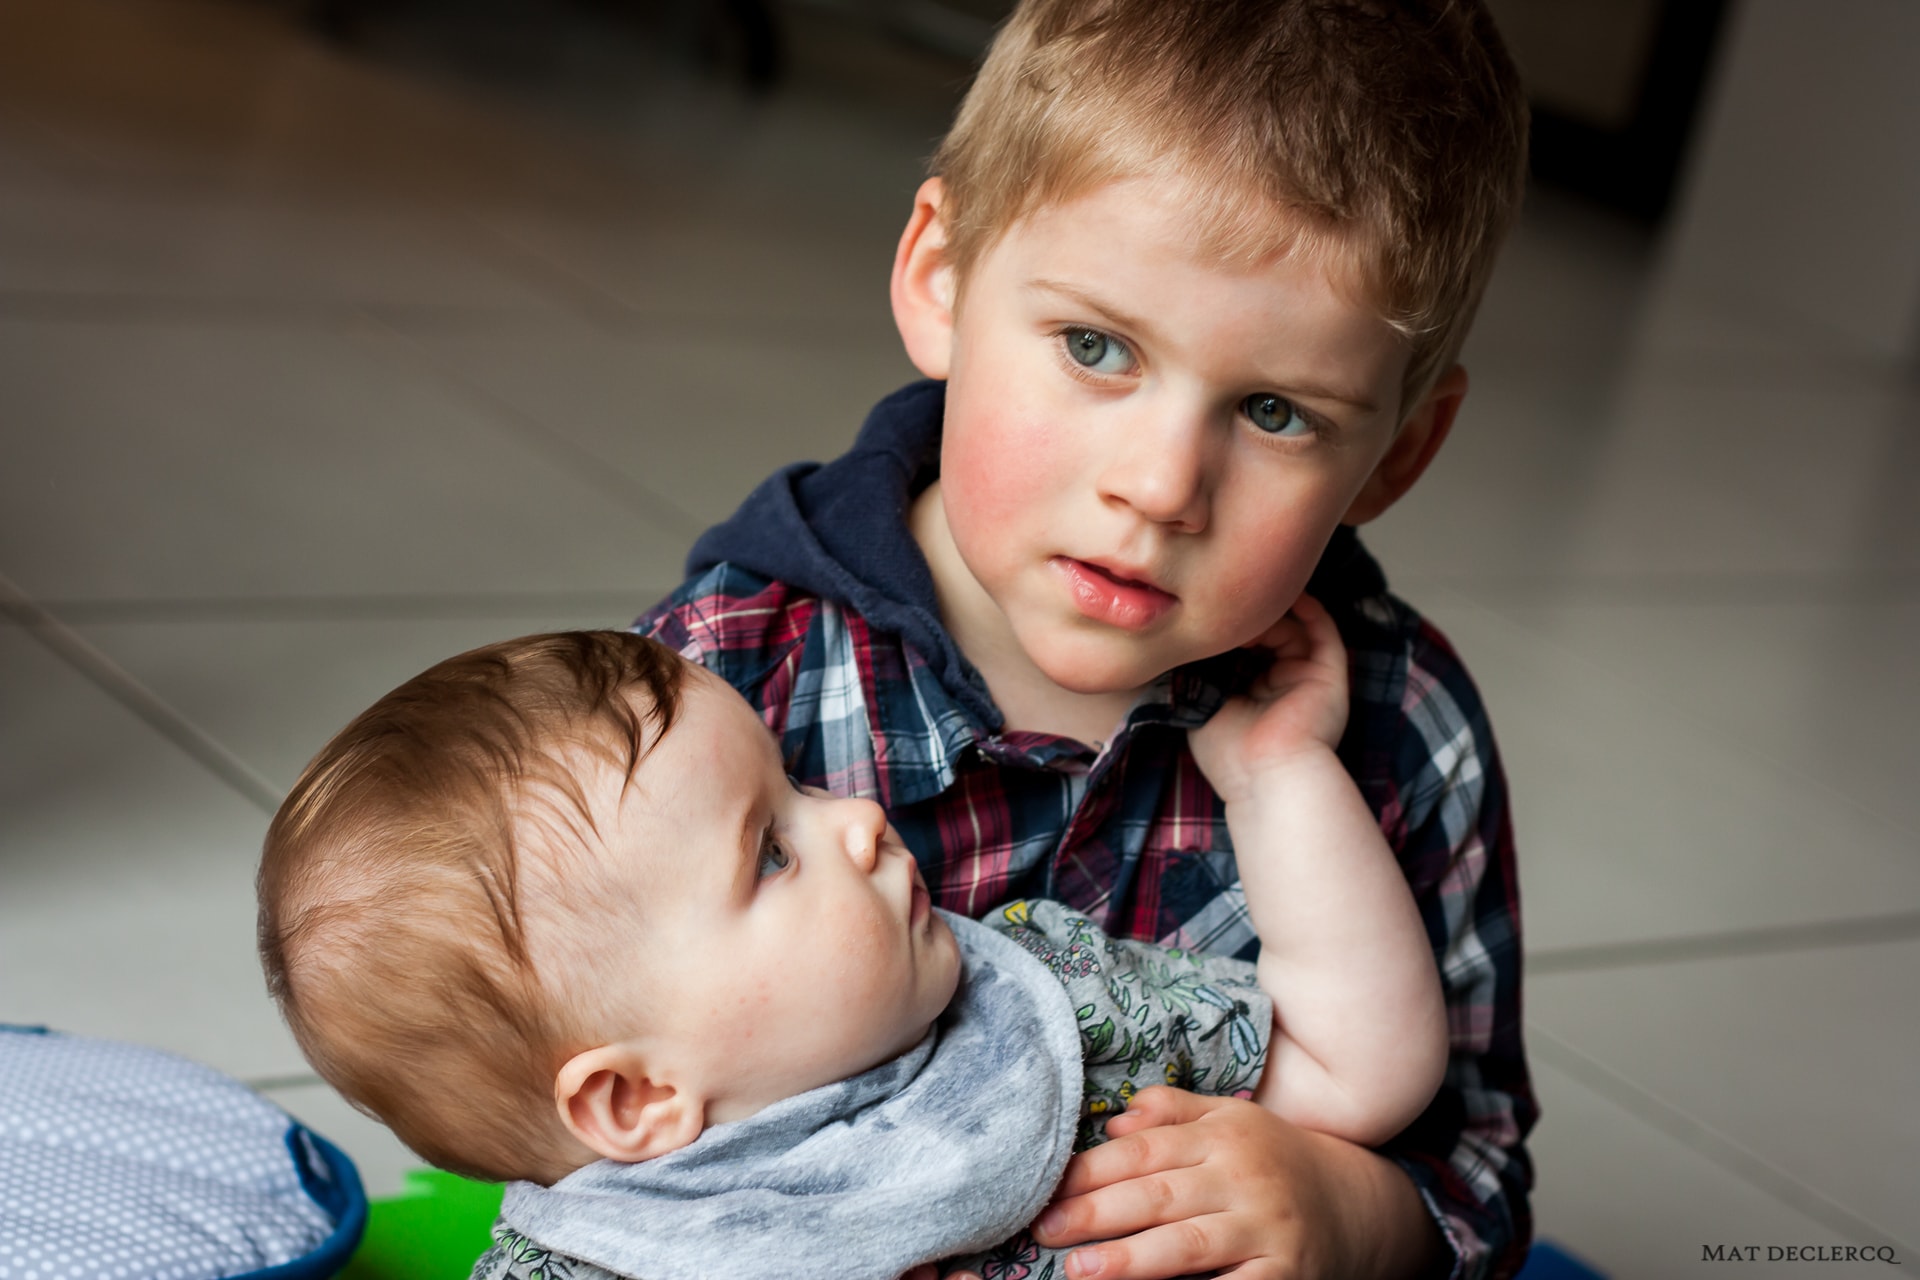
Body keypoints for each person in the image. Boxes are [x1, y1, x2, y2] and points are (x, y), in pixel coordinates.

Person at [633, 1, 1537, 1277]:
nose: (1163, 486)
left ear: (1397, 451)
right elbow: (582, 1091)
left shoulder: (1403, 731)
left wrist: (1345, 1212)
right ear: (940, 277)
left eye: (1276, 410)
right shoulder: (726, 676)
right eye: (1097, 346)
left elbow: (1479, 1174)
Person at [256, 624, 1446, 1280]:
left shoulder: (1047, 1003)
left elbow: (1359, 1065)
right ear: (633, 1094)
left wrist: (1281, 773)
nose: (858, 815)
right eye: (772, 850)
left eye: (800, 779)